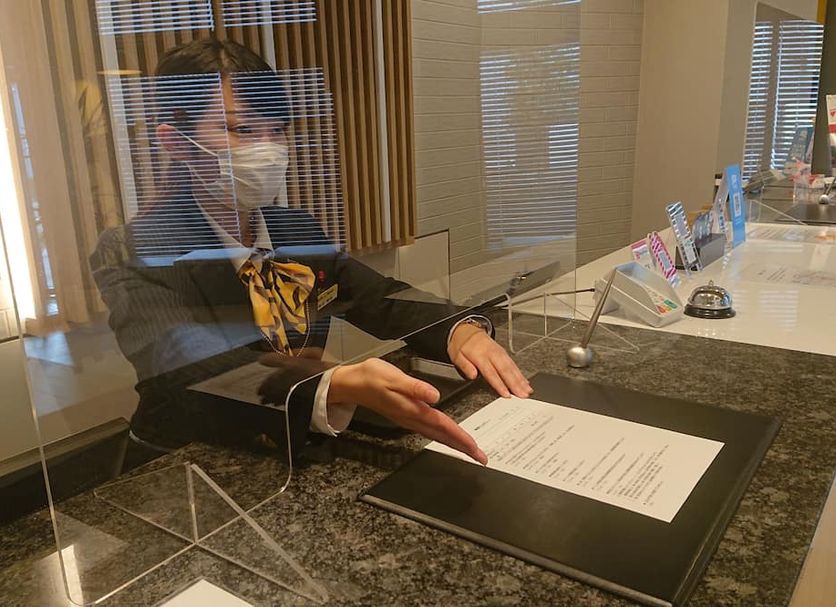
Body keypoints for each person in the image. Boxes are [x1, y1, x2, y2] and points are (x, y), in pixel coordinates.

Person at [91, 39, 531, 465]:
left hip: (294, 451)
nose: (267, 148)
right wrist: (332, 383)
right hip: (185, 468)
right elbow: (183, 363)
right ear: (176, 143)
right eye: (243, 129)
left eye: (277, 130)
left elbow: (379, 297)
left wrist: (457, 329)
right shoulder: (133, 248)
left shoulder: (295, 229)